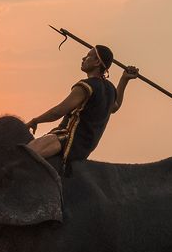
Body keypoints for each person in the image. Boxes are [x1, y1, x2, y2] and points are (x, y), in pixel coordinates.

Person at [25, 45, 139, 174]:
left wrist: (35, 120)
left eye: (88, 55)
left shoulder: (86, 86)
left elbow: (58, 111)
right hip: (84, 149)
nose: (83, 58)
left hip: (65, 139)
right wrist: (124, 80)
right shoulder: (110, 89)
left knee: (22, 156)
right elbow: (115, 106)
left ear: (97, 62)